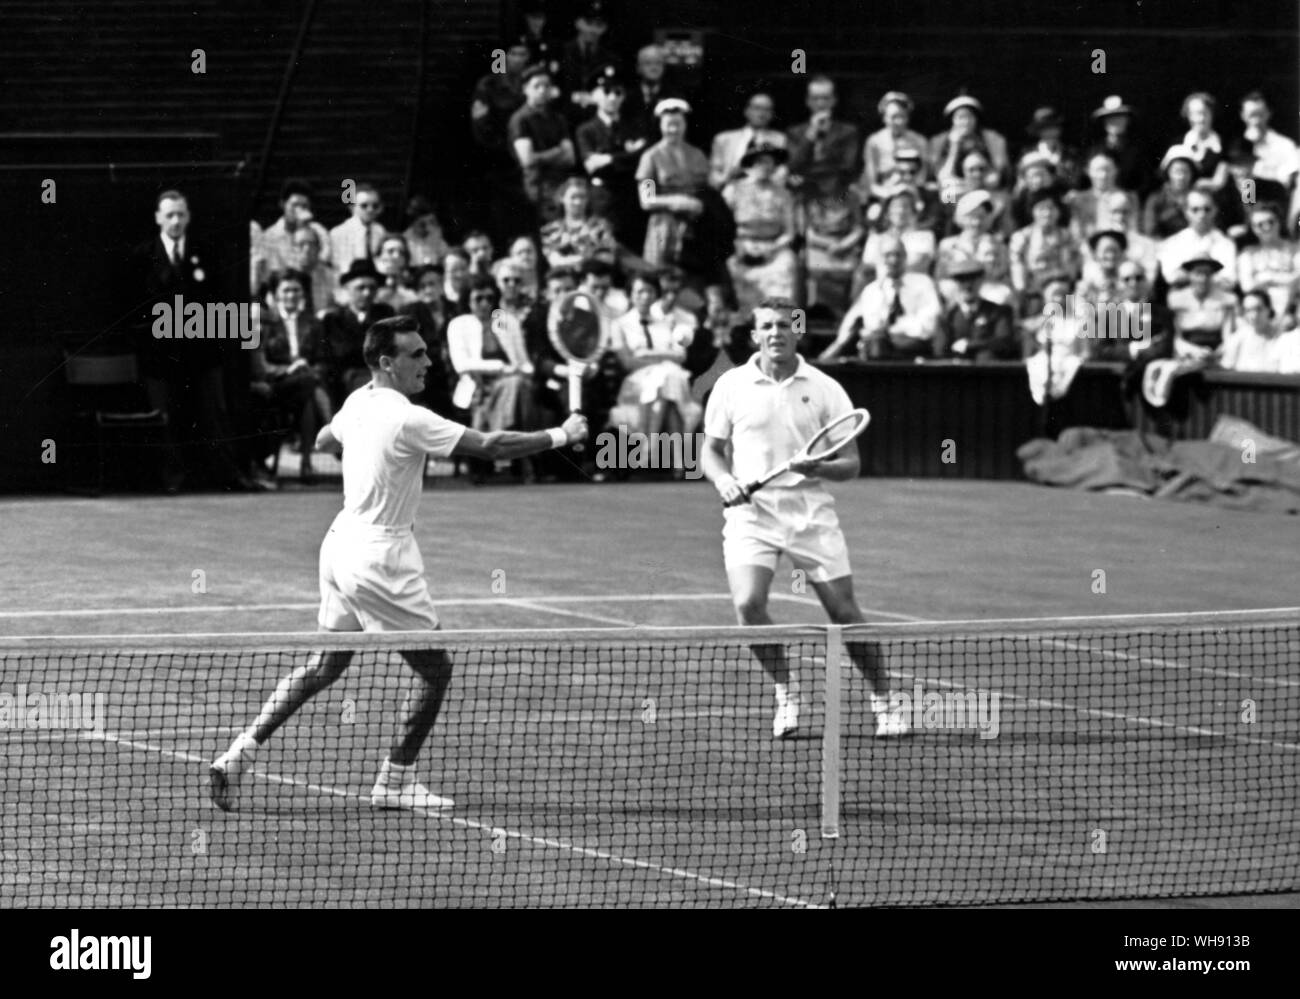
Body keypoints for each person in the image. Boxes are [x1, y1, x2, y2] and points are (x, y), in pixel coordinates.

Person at [209, 315, 588, 813]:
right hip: (381, 559)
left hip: (339, 546)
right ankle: (395, 779)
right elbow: (492, 446)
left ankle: (239, 753)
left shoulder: (357, 401)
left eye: (427, 352)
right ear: (387, 363)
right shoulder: (411, 419)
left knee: (325, 664)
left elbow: (325, 440)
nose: (429, 362)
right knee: (435, 670)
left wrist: (359, 447)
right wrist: (562, 434)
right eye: (417, 355)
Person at [700, 298, 910, 739]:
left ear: (798, 332)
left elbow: (850, 464)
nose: (776, 333)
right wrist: (723, 482)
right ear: (754, 336)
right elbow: (712, 451)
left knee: (843, 611)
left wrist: (818, 468)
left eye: (784, 325)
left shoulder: (825, 387)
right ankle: (786, 693)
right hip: (751, 514)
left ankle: (885, 701)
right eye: (766, 327)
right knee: (747, 604)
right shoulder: (731, 385)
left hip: (809, 514)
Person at [130, 189, 271, 493]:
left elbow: (215, 301)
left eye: (181, 214)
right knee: (166, 419)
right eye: (169, 214)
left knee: (214, 413)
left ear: (189, 216)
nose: (176, 220)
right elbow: (137, 309)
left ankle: (228, 476)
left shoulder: (205, 252)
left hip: (200, 353)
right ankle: (172, 478)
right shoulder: (143, 256)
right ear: (158, 218)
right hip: (160, 357)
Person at [446, 276, 539, 480]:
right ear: (468, 300)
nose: (485, 304)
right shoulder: (460, 324)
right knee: (517, 387)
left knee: (519, 385)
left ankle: (499, 446)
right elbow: (462, 364)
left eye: (489, 298)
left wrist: (525, 370)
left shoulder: (503, 319)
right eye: (478, 298)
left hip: (514, 380)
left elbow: (522, 359)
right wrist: (500, 368)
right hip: (478, 384)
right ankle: (519, 456)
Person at [252, 270, 331, 481]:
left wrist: (308, 368)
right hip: (278, 382)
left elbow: (323, 360)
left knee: (307, 392)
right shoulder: (266, 320)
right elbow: (261, 361)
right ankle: (329, 431)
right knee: (308, 385)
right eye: (286, 290)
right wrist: (288, 369)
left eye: (296, 290)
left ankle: (307, 462)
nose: (291, 295)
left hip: (306, 381)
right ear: (276, 294)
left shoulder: (313, 323)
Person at [608, 272, 702, 440]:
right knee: (665, 384)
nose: (645, 297)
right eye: (639, 291)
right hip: (637, 383)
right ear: (630, 294)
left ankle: (649, 446)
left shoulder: (667, 322)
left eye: (650, 291)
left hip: (671, 380)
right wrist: (665, 357)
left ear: (656, 294)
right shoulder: (620, 325)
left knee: (665, 382)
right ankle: (677, 460)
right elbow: (628, 362)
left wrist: (646, 353)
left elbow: (681, 356)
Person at [821, 234, 942, 360]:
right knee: (875, 342)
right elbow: (873, 325)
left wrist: (894, 329)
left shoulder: (923, 283)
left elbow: (929, 324)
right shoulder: (872, 290)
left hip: (914, 347)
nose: (893, 260)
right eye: (888, 255)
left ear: (906, 257)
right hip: (881, 349)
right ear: (879, 259)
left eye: (898, 255)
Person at [574, 66, 649, 245]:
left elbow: (643, 159)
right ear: (594, 95)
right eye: (606, 92)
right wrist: (626, 156)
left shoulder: (635, 127)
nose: (613, 97)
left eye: (618, 92)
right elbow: (591, 165)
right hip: (602, 198)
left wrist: (609, 159)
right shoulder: (586, 130)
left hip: (631, 197)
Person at [724, 143, 798, 316]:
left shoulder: (783, 193)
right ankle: (740, 325)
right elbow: (722, 227)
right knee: (730, 270)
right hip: (740, 247)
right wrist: (738, 247)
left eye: (769, 162)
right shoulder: (733, 190)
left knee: (787, 265)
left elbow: (789, 233)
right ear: (749, 165)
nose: (765, 167)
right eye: (760, 162)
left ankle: (778, 323)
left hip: (774, 248)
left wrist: (772, 249)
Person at [636, 97, 710, 267]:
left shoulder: (697, 155)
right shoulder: (651, 157)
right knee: (660, 272)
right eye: (668, 124)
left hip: (695, 226)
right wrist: (677, 202)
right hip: (663, 226)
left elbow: (707, 189)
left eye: (678, 124)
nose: (673, 129)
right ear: (660, 125)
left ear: (685, 124)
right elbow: (646, 200)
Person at [320, 259, 395, 407]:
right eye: (360, 288)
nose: (367, 293)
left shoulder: (385, 313)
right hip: (347, 378)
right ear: (348, 289)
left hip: (383, 373)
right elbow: (339, 353)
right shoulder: (333, 319)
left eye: (372, 288)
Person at [509, 64, 576, 227]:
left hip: (561, 184)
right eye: (537, 86)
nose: (542, 90)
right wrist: (557, 150)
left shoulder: (558, 118)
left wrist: (544, 156)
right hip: (536, 188)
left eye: (546, 86)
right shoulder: (520, 119)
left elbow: (570, 158)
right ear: (526, 89)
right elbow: (528, 160)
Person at [786, 75, 861, 197]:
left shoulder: (848, 132)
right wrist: (811, 134)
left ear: (834, 100)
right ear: (808, 101)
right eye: (815, 98)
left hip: (836, 196)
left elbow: (848, 166)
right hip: (805, 196)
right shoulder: (795, 132)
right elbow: (793, 165)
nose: (820, 103)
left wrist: (808, 173)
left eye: (826, 98)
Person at [1009, 189, 1078, 310]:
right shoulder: (1022, 237)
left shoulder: (1066, 236)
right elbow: (1017, 266)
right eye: (1041, 209)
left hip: (1062, 291)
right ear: (1032, 212)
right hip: (1033, 292)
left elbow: (1071, 269)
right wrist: (1021, 290)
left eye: (1051, 208)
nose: (1047, 213)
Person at [1157, 190, 1237, 291]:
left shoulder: (1227, 244)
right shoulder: (1172, 243)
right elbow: (1172, 278)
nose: (1202, 214)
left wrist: (1189, 274)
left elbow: (1229, 282)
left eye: (1207, 209)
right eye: (1195, 209)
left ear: (1215, 210)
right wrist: (1212, 276)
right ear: (1186, 212)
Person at [937, 259, 1017, 361]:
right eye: (961, 280)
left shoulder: (999, 312)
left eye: (972, 279)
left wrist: (969, 345)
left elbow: (1004, 342)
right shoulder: (947, 317)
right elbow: (940, 351)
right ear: (955, 284)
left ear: (981, 281)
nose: (967, 285)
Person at [710, 90, 788, 193]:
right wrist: (726, 178)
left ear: (772, 114)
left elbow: (781, 172)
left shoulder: (779, 139)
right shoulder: (724, 139)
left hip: (764, 193)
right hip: (729, 190)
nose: (762, 113)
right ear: (747, 111)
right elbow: (713, 174)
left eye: (767, 109)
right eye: (757, 108)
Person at [861, 91, 931, 201]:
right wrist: (888, 193)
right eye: (894, 117)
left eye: (903, 116)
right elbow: (871, 182)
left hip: (915, 191)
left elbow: (922, 176)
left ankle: (950, 215)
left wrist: (908, 189)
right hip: (884, 191)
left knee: (949, 193)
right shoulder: (874, 141)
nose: (899, 121)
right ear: (884, 117)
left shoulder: (920, 141)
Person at [929, 94, 1009, 189]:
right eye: (961, 117)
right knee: (948, 188)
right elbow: (942, 176)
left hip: (983, 186)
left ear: (976, 119)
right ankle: (950, 204)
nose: (966, 122)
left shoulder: (992, 138)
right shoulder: (940, 141)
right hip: (957, 187)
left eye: (970, 117)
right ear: (952, 120)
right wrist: (954, 147)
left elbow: (999, 171)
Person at [1237, 202, 1299, 321]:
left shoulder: (1295, 250)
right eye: (1260, 224)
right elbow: (1247, 286)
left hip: (1291, 308)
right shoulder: (1247, 254)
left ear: (1279, 221)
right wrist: (1286, 279)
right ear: (1253, 228)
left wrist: (1267, 279)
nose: (1267, 227)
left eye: (1271, 221)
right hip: (1260, 310)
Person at [540, 176, 617, 271]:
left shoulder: (601, 226)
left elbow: (608, 258)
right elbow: (555, 262)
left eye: (582, 197)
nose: (578, 202)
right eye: (573, 197)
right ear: (562, 198)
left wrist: (571, 260)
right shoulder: (549, 230)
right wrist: (587, 258)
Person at [1167, 256, 1235, 360]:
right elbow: (1174, 337)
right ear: (1190, 275)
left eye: (1207, 274)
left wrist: (1218, 353)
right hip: (1187, 352)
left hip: (1216, 353)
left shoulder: (1226, 300)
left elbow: (1228, 337)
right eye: (1198, 273)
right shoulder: (1175, 299)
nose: (1203, 279)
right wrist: (1192, 351)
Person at [262, 178, 333, 275]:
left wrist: (305, 228)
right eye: (294, 205)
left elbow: (325, 258)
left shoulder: (318, 230)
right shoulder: (270, 235)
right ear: (283, 204)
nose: (299, 210)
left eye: (304, 206)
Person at [1220, 290, 1300, 373]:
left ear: (1269, 309)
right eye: (1248, 310)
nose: (1254, 315)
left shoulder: (1284, 338)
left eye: (1259, 309)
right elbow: (1227, 368)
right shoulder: (1237, 338)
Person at [1086, 95, 1149, 196]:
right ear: (1104, 123)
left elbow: (1145, 182)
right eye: (1111, 118)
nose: (1115, 121)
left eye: (1120, 117)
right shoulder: (1095, 151)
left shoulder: (1139, 150)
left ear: (1127, 121)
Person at [328, 183, 387, 286]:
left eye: (375, 206)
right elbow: (338, 266)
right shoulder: (338, 233)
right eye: (364, 205)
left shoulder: (380, 231)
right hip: (346, 284)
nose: (370, 210)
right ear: (352, 207)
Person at [1179, 92, 1230, 195]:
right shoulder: (1178, 144)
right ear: (1188, 116)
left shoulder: (1224, 145)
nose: (1200, 119)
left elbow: (1220, 182)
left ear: (1212, 114)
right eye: (1195, 114)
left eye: (1204, 113)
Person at [1020, 106, 1081, 190]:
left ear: (1059, 129)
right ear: (1038, 131)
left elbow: (1075, 181)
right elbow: (1022, 183)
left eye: (1054, 127)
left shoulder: (1071, 154)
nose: (1050, 131)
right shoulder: (1027, 153)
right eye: (1045, 128)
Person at [1143, 145, 1196, 239]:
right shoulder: (1156, 198)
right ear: (1168, 173)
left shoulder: (1200, 197)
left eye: (1186, 172)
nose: (1181, 177)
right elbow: (1150, 231)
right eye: (1177, 172)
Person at [402, 195, 449, 269]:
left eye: (432, 222)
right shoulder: (405, 240)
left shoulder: (436, 237)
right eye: (422, 225)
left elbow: (445, 257)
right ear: (414, 222)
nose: (427, 227)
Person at [374, 234, 418, 311]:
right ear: (378, 257)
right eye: (390, 251)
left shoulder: (413, 288)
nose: (396, 256)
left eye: (401, 252)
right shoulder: (371, 284)